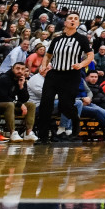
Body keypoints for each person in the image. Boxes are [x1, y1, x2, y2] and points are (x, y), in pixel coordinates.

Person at [34, 11, 93, 143]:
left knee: (64, 106)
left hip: (71, 75)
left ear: (78, 23)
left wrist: (82, 64)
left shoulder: (82, 39)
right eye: (70, 18)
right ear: (65, 22)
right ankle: (43, 137)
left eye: (75, 19)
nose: (72, 20)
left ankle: (76, 120)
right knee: (45, 104)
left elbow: (90, 56)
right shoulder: (57, 39)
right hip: (54, 74)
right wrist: (43, 66)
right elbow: (48, 55)